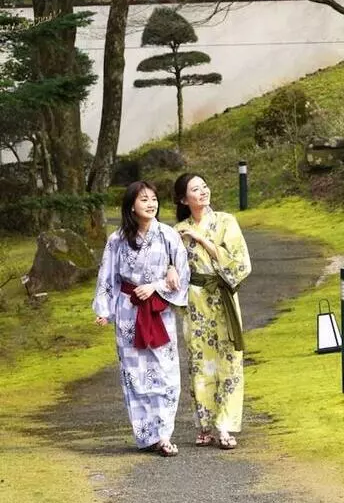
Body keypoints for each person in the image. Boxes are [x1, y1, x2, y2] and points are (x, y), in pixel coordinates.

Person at [93, 181, 190, 457]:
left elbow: (181, 274)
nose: (151, 204)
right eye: (144, 199)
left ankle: (164, 433)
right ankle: (147, 435)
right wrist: (104, 309)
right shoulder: (117, 240)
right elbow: (107, 276)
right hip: (128, 311)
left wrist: (159, 284)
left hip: (158, 311)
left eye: (154, 199)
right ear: (131, 206)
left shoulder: (168, 235)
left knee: (166, 372)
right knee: (134, 374)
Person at [173, 173, 251, 450]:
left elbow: (240, 262)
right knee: (200, 360)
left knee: (229, 360)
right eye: (195, 189)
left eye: (204, 186)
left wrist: (204, 241)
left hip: (224, 297)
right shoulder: (178, 230)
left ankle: (226, 426)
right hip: (196, 301)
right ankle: (204, 424)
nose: (203, 192)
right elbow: (173, 266)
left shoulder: (226, 221)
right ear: (184, 199)